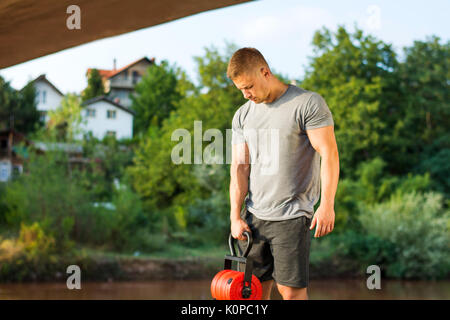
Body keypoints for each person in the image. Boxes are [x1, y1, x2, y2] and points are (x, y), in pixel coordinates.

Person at [228, 47, 339, 300]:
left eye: (249, 87)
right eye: (241, 90)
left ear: (265, 72)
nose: (246, 95)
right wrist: (235, 216)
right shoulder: (243, 115)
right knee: (250, 291)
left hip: (292, 214)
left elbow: (329, 153)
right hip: (254, 216)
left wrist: (327, 204)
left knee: (290, 292)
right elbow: (239, 168)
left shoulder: (307, 103)